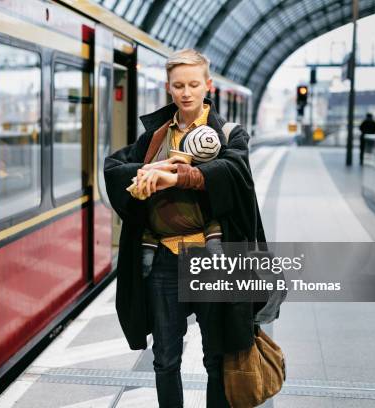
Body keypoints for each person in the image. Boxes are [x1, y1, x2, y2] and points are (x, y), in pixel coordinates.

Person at [104, 49, 261, 408]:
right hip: (162, 258)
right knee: (165, 359)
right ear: (168, 88)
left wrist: (173, 175)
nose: (186, 92)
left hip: (212, 258)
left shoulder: (228, 134)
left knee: (216, 358)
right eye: (178, 85)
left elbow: (233, 174)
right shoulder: (154, 138)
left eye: (193, 84)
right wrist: (144, 174)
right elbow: (115, 167)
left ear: (208, 85)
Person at [127, 125, 224, 278]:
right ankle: (148, 253)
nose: (186, 98)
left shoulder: (226, 133)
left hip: (199, 252)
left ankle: (148, 253)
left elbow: (227, 174)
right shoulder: (157, 134)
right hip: (165, 251)